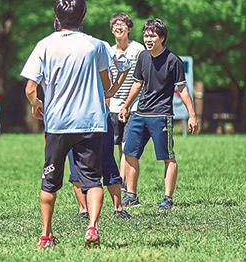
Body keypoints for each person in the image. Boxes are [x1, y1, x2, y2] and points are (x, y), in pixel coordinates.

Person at [21, 0, 110, 250]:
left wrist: (37, 105)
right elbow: (106, 85)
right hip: (91, 121)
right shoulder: (97, 45)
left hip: (57, 123)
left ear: (56, 17)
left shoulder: (45, 45)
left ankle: (46, 235)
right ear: (84, 15)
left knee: (50, 181)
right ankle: (92, 226)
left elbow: (30, 88)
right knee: (92, 180)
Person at [53, 19, 133, 220]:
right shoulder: (97, 45)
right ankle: (117, 209)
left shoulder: (52, 49)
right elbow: (124, 64)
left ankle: (85, 210)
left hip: (69, 118)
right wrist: (111, 89)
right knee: (106, 159)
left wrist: (111, 90)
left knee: (77, 163)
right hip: (97, 114)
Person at [119, 18, 199, 210]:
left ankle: (167, 198)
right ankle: (131, 194)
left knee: (167, 157)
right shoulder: (143, 57)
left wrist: (192, 115)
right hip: (140, 113)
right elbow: (137, 84)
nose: (148, 39)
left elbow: (183, 89)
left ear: (162, 38)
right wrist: (126, 105)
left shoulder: (174, 61)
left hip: (161, 115)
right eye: (146, 35)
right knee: (129, 153)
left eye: (152, 35)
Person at [108, 13, 145, 192]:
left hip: (133, 105)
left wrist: (128, 104)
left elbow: (141, 79)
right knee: (117, 146)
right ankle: (120, 180)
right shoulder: (108, 51)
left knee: (126, 144)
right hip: (113, 105)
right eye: (115, 24)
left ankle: (122, 183)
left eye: (122, 24)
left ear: (129, 29)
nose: (118, 27)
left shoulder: (138, 50)